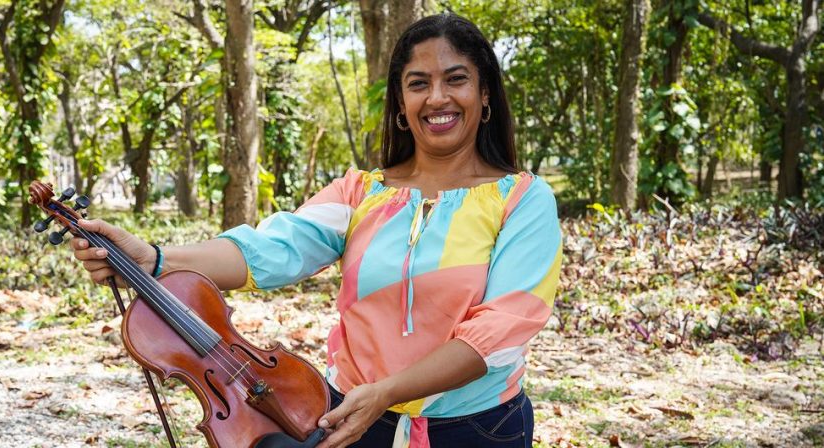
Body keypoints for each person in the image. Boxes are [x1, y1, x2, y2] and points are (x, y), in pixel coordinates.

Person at [71, 13, 561, 448]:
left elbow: (498, 333)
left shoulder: (522, 200)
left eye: (456, 80)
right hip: (354, 418)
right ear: (399, 100)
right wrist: (154, 259)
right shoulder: (361, 191)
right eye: (418, 83)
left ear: (485, 93)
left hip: (475, 430)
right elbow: (270, 250)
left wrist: (388, 393)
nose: (437, 98)